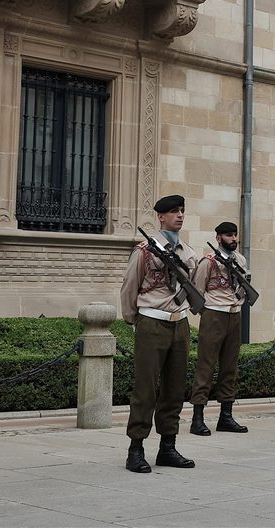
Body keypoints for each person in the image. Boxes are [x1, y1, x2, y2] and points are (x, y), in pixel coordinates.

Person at [119, 194, 196, 473]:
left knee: (175, 388)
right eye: (174, 212)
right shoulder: (144, 251)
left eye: (182, 211)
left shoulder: (188, 253)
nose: (180, 215)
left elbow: (193, 288)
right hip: (152, 322)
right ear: (160, 217)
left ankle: (168, 446)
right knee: (146, 389)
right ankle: (136, 448)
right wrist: (134, 318)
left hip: (180, 324)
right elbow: (130, 286)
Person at [189, 221, 250, 436]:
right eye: (228, 236)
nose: (233, 239)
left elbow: (245, 286)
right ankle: (197, 418)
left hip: (234, 314)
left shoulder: (240, 260)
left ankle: (226, 415)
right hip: (214, 313)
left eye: (235, 235)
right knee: (206, 365)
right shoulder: (208, 262)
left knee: (230, 366)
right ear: (218, 238)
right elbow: (198, 289)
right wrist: (209, 310)